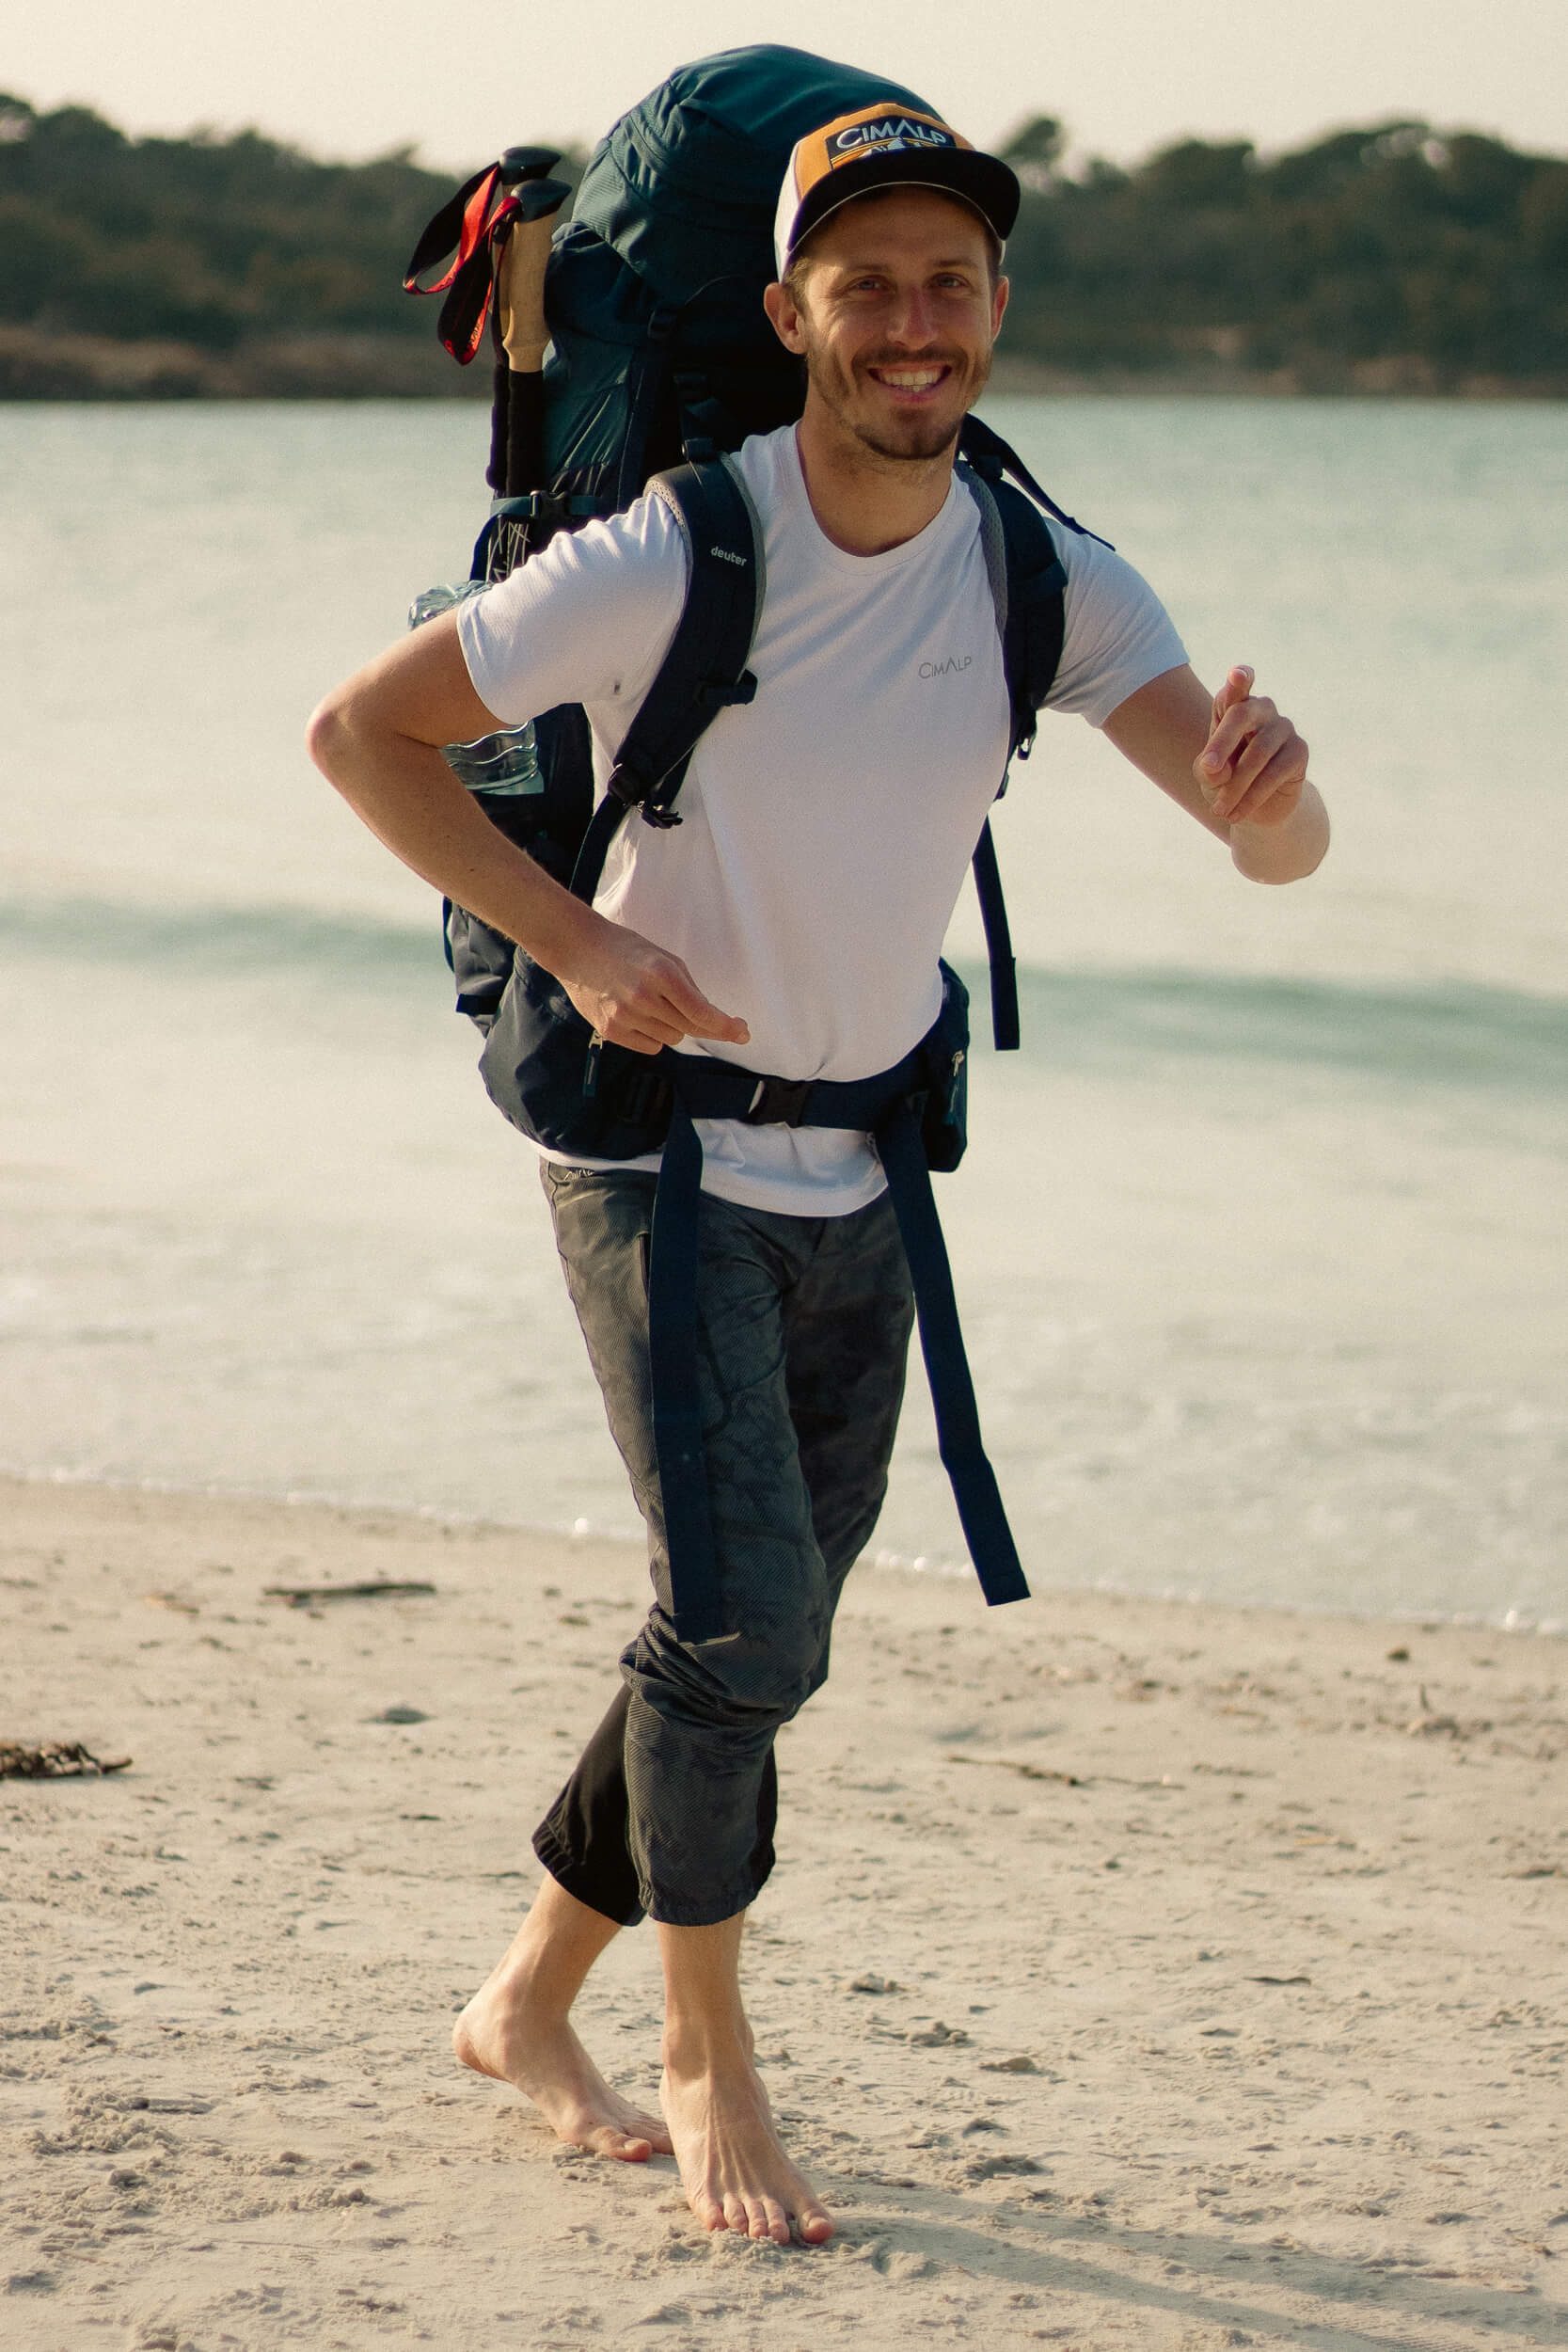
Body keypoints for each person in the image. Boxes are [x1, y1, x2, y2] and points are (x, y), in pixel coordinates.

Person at [307, 98, 1329, 2249]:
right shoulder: (683, 544)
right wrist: (581, 939)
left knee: (753, 1641)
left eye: (951, 281)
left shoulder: (1043, 566)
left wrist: (1266, 801)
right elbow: (358, 734)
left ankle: (521, 1999)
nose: (914, 323)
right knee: (743, 1621)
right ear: (791, 316)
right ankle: (709, 2058)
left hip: (869, 1177)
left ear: (998, 309)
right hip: (660, 1169)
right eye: (866, 287)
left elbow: (1272, 844)